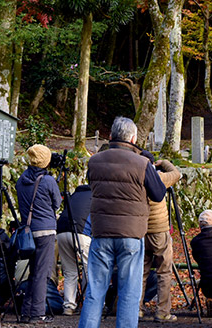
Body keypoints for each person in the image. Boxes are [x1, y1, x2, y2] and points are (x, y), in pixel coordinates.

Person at [78, 116, 167, 328]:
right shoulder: (142, 163)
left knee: (95, 290)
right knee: (129, 292)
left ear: (110, 136)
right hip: (131, 234)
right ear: (134, 138)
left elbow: (93, 185)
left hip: (101, 233)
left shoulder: (94, 161)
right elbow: (158, 194)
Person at [15, 144, 62, 324]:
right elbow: (57, 203)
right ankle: (37, 313)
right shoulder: (48, 181)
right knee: (42, 273)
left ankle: (26, 312)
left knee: (33, 273)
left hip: (28, 231)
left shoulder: (21, 180)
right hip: (46, 231)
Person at [140, 156, 181, 322]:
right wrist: (164, 162)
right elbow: (176, 174)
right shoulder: (158, 178)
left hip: (141, 230)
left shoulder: (136, 178)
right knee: (163, 272)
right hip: (159, 231)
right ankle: (163, 311)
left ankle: (137, 309)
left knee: (140, 273)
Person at [56, 183, 92, 315]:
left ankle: (69, 306)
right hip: (81, 232)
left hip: (61, 231)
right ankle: (90, 304)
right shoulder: (96, 195)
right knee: (90, 269)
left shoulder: (75, 195)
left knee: (70, 271)